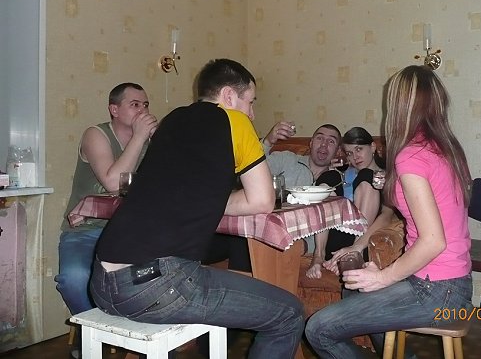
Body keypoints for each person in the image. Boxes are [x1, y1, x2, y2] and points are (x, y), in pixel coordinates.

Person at [90, 59, 304, 359]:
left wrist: (209, 200)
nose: (252, 113)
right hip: (156, 285)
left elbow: (175, 188)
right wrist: (216, 200)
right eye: (250, 102)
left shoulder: (172, 120)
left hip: (102, 282)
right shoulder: (235, 120)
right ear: (229, 96)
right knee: (290, 313)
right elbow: (262, 200)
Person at [305, 65, 473, 358]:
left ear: (399, 105)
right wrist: (359, 249)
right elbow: (390, 214)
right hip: (453, 283)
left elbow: (434, 241)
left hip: (436, 291)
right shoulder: (444, 148)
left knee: (318, 329)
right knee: (354, 287)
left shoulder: (411, 155)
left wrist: (384, 277)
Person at [55, 82, 158, 317]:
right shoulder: (95, 134)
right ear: (114, 110)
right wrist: (139, 137)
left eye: (145, 105)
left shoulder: (150, 141)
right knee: (73, 279)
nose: (143, 111)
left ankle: (131, 328)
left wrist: (160, 140)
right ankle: (98, 330)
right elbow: (113, 183)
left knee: (153, 275)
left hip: (129, 231)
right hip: (86, 231)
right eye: (135, 105)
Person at [306, 127, 383, 279]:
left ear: (373, 147)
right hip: (335, 238)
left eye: (359, 149)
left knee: (366, 174)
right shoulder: (344, 174)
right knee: (329, 176)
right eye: (349, 153)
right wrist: (333, 171)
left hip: (361, 241)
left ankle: (352, 255)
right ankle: (319, 255)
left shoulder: (387, 174)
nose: (355, 157)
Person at [262, 122, 342, 187]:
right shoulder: (286, 160)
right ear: (311, 143)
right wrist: (268, 141)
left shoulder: (340, 178)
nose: (324, 144)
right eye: (320, 138)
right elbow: (256, 169)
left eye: (331, 141)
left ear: (338, 150)